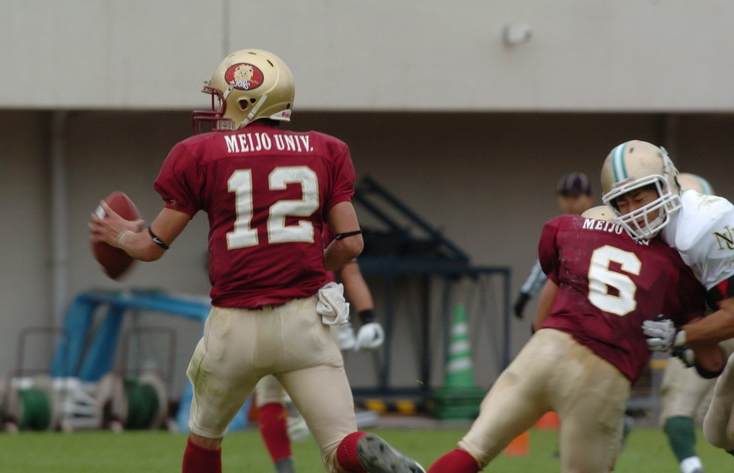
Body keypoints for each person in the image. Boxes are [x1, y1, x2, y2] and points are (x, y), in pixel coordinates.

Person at [89, 49, 423, 473]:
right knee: (339, 445)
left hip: (235, 326)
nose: (217, 109)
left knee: (205, 438)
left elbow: (153, 246)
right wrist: (312, 263)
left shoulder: (201, 153)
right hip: (305, 322)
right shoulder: (325, 150)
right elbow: (351, 244)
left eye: (222, 97)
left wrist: (119, 235)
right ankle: (359, 451)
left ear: (245, 100)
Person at [426, 203, 724, 473]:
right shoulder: (669, 265)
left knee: (472, 450)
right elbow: (712, 362)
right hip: (602, 372)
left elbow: (539, 323)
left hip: (544, 350)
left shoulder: (569, 231)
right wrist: (683, 345)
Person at [598, 141, 734, 455]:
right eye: (622, 203)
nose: (634, 212)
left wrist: (679, 335)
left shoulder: (702, 225)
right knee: (717, 433)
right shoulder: (652, 243)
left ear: (667, 185)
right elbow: (712, 359)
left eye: (640, 198)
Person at [256, 256, 385, 473]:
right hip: (317, 309)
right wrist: (368, 318)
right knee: (331, 399)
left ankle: (286, 465)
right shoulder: (326, 230)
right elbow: (349, 264)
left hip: (265, 306)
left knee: (269, 395)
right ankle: (299, 408)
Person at [655, 173, 734, 473]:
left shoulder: (712, 230)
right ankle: (693, 468)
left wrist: (680, 337)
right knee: (706, 424)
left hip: (709, 325)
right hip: (701, 328)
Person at [513, 172, 595, 319]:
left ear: (590, 199)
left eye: (575, 197)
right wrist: (525, 294)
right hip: (563, 302)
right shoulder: (560, 228)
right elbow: (544, 264)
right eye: (565, 196)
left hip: (594, 302)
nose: (569, 202)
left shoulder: (602, 225)